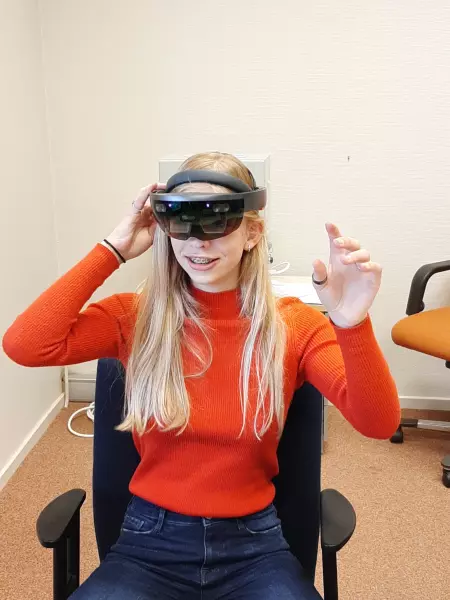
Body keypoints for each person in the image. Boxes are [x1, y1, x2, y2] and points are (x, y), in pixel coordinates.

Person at [2, 151, 400, 599]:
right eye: (182, 223)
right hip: (149, 543)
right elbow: (24, 344)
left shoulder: (293, 326)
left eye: (216, 222)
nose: (197, 243)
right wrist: (112, 250)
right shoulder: (136, 318)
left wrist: (350, 323)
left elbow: (379, 422)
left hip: (254, 547)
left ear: (252, 233)